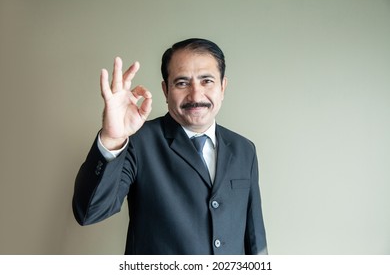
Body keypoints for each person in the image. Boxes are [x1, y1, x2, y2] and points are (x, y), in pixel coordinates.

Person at [73, 38, 267, 255]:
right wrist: (112, 137)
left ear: (222, 87)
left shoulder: (244, 149)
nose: (195, 95)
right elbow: (90, 212)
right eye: (182, 83)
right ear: (165, 90)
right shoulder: (138, 141)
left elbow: (255, 238)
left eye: (207, 81)